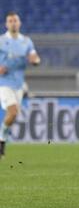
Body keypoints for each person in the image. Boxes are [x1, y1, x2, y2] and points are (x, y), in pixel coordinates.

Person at [0, 12, 41, 159]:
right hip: (4, 83)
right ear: (6, 24)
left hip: (19, 84)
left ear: (19, 23)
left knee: (13, 115)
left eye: (15, 20)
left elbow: (34, 56)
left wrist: (35, 61)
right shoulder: (1, 41)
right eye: (10, 21)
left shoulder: (26, 41)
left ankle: (2, 138)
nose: (13, 23)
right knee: (13, 112)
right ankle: (2, 139)